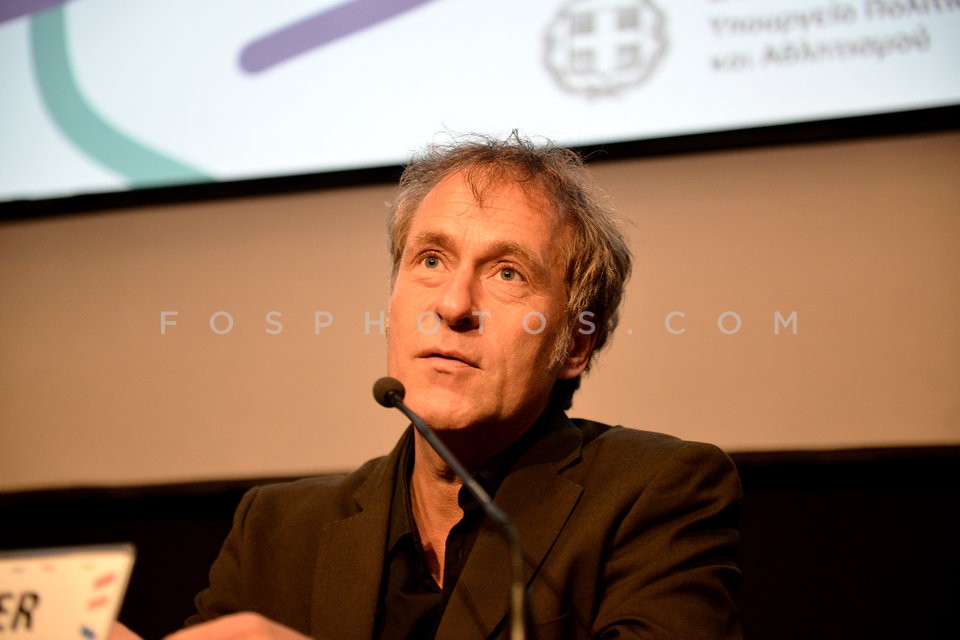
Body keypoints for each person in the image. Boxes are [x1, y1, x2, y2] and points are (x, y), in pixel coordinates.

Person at [114, 133, 742, 639]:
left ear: (575, 344)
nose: (453, 304)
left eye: (507, 273)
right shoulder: (279, 531)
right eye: (431, 260)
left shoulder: (656, 494)